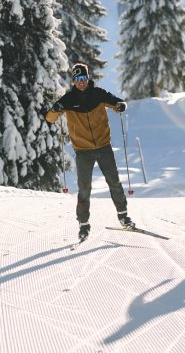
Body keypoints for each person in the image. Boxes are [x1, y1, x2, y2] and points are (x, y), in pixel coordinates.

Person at [45, 62, 136, 240]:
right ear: (73, 80)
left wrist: (120, 105)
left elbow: (118, 102)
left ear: (88, 78)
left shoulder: (99, 94)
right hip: (83, 151)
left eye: (84, 78)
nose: (81, 81)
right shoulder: (68, 100)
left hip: (103, 147)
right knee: (84, 188)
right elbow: (50, 118)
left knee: (114, 182)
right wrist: (55, 110)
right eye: (78, 79)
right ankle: (83, 225)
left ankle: (124, 216)